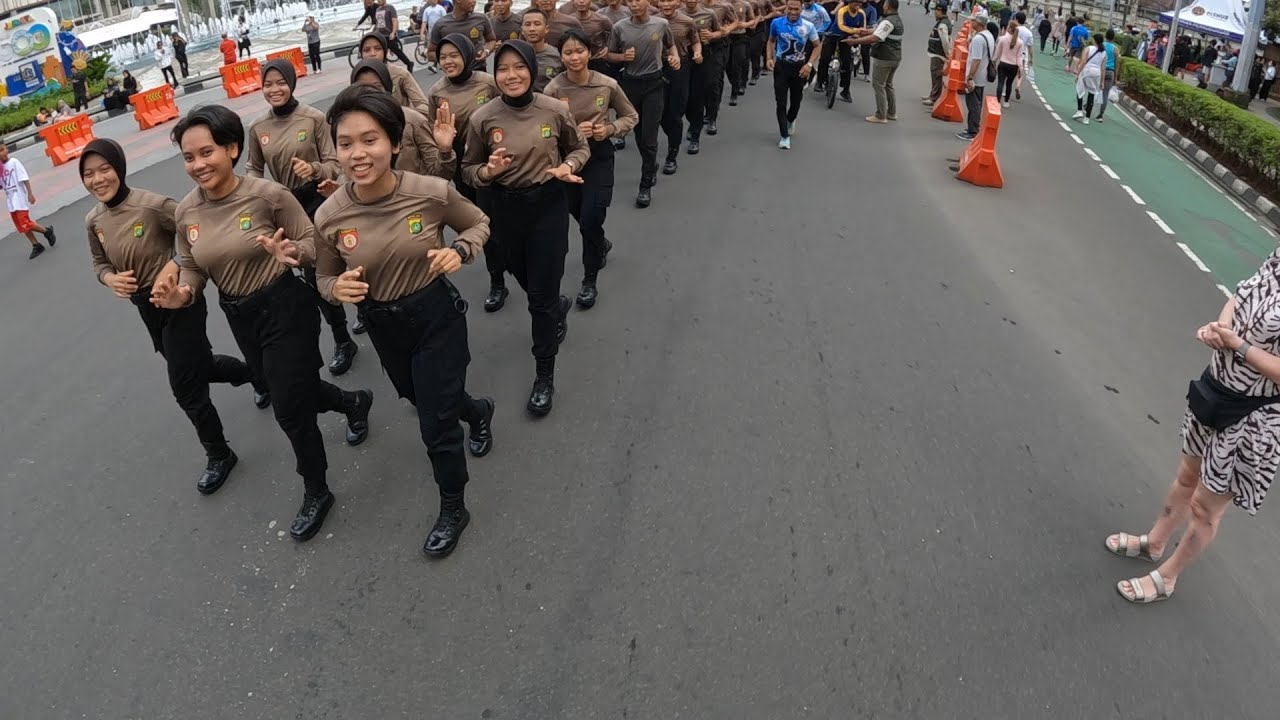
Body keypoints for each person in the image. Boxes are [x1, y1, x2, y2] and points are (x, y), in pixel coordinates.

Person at [157, 105, 375, 542]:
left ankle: (317, 489)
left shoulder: (266, 196)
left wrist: (293, 252)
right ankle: (353, 403)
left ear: (232, 148)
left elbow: (316, 243)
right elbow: (191, 263)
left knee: (289, 407)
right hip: (238, 314)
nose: (197, 165)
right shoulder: (186, 213)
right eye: (188, 157)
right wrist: (184, 292)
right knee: (287, 387)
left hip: (284, 306)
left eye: (207, 152)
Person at [316, 86, 495, 558]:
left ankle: (454, 506)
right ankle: (477, 411)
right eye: (346, 142)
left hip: (435, 315)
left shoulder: (431, 192)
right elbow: (324, 272)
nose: (358, 153)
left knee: (435, 425)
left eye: (370, 139)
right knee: (421, 396)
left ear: (395, 143)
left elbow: (478, 222)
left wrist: (459, 251)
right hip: (382, 325)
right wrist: (335, 289)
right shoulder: (330, 214)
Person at [1106, 249, 1280, 604]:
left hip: (1253, 416)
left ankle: (1167, 578)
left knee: (1205, 507)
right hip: (1214, 387)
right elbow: (1239, 296)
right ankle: (1154, 541)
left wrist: (1240, 346)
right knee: (1186, 476)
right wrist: (1220, 328)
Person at [82, 138, 252, 495]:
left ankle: (219, 454)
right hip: (147, 309)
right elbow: (99, 263)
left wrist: (175, 265)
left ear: (119, 168)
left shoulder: (152, 205)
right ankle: (255, 374)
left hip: (180, 301)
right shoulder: (94, 220)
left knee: (185, 386)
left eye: (104, 170)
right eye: (88, 174)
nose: (98, 180)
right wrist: (111, 278)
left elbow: (195, 233)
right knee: (200, 367)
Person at [462, 40, 590, 416]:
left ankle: (544, 374)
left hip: (548, 205)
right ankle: (556, 306)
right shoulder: (482, 118)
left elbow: (579, 148)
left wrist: (569, 167)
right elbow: (468, 169)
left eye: (519, 67)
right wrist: (488, 171)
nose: (512, 75)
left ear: (532, 69)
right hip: (503, 208)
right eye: (503, 68)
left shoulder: (553, 109)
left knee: (539, 300)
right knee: (524, 278)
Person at [248, 60, 361, 376]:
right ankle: (342, 339)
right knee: (311, 276)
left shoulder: (312, 119)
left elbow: (334, 163)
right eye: (267, 84)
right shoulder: (258, 128)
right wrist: (256, 194)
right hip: (284, 208)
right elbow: (253, 170)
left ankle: (362, 308)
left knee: (340, 262)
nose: (274, 89)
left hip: (317, 200)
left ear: (291, 83)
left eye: (280, 82)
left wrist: (313, 170)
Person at [545, 29, 638, 308]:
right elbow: (545, 130)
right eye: (568, 52)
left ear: (589, 53)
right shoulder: (553, 89)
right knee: (580, 215)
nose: (574, 57)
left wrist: (608, 129)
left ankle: (589, 280)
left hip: (598, 157)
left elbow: (630, 116)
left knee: (589, 218)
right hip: (568, 160)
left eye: (579, 51)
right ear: (561, 56)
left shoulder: (607, 84)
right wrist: (571, 132)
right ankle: (601, 242)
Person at [426, 35, 503, 307]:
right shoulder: (436, 92)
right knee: (481, 220)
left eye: (454, 55)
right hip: (463, 168)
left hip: (496, 163)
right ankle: (498, 282)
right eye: (443, 57)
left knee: (505, 221)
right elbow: (433, 132)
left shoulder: (488, 83)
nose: (448, 61)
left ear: (468, 55)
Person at [606, 0, 677, 208]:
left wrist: (674, 58)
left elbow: (671, 46)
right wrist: (622, 57)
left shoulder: (661, 24)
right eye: (631, 1)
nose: (634, 4)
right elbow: (609, 55)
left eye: (638, 0)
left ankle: (645, 186)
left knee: (649, 136)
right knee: (637, 132)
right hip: (630, 84)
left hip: (654, 83)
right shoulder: (619, 27)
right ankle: (651, 162)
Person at [351, 59, 457, 179]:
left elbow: (439, 175)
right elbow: (344, 172)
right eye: (362, 88)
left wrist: (444, 150)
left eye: (377, 87)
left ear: (388, 88)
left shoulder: (412, 121)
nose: (370, 94)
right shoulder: (347, 127)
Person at [766, 0, 820, 149]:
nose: (793, 12)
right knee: (780, 103)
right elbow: (771, 41)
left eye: (797, 9)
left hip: (799, 69)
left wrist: (809, 65)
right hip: (781, 67)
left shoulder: (808, 26)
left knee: (796, 102)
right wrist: (769, 58)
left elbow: (817, 46)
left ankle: (791, 120)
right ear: (786, 8)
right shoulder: (776, 23)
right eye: (790, 8)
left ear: (801, 9)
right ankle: (784, 136)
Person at [656, 0, 699, 174]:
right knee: (656, 113)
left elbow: (695, 41)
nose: (666, 4)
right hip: (657, 67)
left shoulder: (687, 21)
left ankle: (671, 156)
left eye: (670, 0)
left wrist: (697, 52)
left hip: (680, 67)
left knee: (675, 113)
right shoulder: (653, 21)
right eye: (662, 0)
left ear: (677, 2)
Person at [844, 0, 903, 124]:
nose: (883, 5)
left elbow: (875, 37)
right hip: (894, 58)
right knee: (888, 84)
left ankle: (881, 115)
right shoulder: (896, 20)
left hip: (884, 58)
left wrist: (856, 41)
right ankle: (891, 113)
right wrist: (863, 32)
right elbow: (878, 31)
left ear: (888, 6)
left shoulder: (888, 21)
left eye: (885, 4)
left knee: (879, 85)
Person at [0, 144, 54, 259]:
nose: (2, 153)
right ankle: (36, 245)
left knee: (25, 223)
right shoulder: (0, 167)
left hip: (18, 198)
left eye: (2, 150)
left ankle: (46, 231)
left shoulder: (14, 162)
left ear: (6, 149)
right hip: (11, 201)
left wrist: (30, 193)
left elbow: (24, 178)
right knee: (21, 226)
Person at [683, 0, 721, 154]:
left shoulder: (709, 13)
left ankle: (696, 134)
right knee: (685, 98)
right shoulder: (678, 14)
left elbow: (720, 32)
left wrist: (712, 35)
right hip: (683, 56)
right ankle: (692, 122)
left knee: (700, 94)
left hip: (704, 55)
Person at [358, 33, 430, 111]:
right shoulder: (357, 78)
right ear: (361, 54)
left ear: (385, 52)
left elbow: (424, 106)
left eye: (378, 48)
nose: (372, 54)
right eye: (366, 50)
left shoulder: (400, 74)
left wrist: (401, 115)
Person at [429, 0, 496, 70]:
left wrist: (486, 51)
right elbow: (430, 53)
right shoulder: (440, 24)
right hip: (454, 76)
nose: (474, 1)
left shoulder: (481, 19)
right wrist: (446, 60)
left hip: (478, 70)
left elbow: (491, 40)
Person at [956, 13, 993, 141]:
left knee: (973, 104)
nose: (971, 23)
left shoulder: (978, 39)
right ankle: (973, 127)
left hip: (976, 76)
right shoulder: (989, 36)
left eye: (973, 21)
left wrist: (970, 77)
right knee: (976, 102)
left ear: (979, 23)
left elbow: (976, 60)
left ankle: (973, 131)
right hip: (982, 76)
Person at [521, 8, 566, 92]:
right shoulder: (516, 55)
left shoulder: (558, 55)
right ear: (522, 30)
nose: (532, 29)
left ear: (546, 29)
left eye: (537, 24)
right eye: (527, 24)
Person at [1071, 32, 1104, 125]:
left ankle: (1079, 110)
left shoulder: (1088, 48)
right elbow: (1103, 67)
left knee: (1080, 89)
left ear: (1095, 40)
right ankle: (1087, 118)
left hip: (1087, 71)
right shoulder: (1104, 52)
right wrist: (1102, 81)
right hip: (1097, 73)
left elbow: (1083, 61)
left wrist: (1078, 72)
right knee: (1091, 94)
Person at [922, 1, 951, 106]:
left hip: (938, 54)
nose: (934, 12)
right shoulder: (942, 22)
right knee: (935, 75)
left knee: (936, 76)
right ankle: (932, 94)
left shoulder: (943, 24)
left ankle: (934, 98)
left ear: (940, 10)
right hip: (936, 53)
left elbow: (945, 41)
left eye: (936, 10)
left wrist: (948, 54)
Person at [375, 0, 416, 68]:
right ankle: (384, 69)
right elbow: (377, 23)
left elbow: (394, 20)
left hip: (389, 35)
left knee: (397, 51)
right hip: (381, 36)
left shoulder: (390, 8)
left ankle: (409, 63)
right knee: (382, 52)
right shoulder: (377, 10)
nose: (378, 1)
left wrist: (393, 32)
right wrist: (376, 32)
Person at [992, 20, 1021, 107]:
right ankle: (1006, 102)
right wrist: (1020, 68)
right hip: (1014, 66)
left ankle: (997, 101)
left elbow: (997, 52)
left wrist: (993, 61)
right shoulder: (1020, 42)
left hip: (1003, 63)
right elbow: (1019, 57)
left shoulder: (1002, 39)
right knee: (1009, 83)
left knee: (1000, 82)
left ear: (1010, 28)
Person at [1094, 27, 1117, 121]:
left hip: (1100, 70)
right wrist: (1115, 77)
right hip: (1110, 72)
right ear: (1113, 37)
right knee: (1105, 94)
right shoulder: (1115, 49)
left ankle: (1088, 105)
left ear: (1105, 35)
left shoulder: (1101, 45)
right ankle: (1100, 115)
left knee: (1094, 89)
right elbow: (1117, 64)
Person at [1012, 10, 1032, 99]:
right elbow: (1030, 47)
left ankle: (1006, 90)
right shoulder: (1028, 33)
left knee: (1009, 73)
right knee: (1020, 72)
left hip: (1011, 53)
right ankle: (1018, 86)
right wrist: (1032, 58)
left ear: (1016, 19)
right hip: (1022, 54)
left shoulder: (1013, 29)